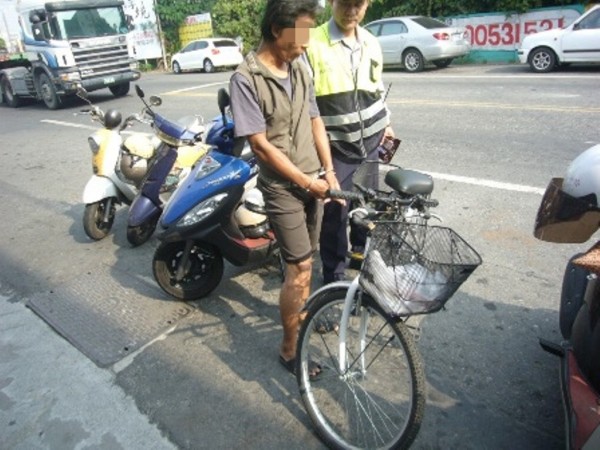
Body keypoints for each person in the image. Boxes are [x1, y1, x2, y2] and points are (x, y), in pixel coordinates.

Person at [229, 0, 341, 376]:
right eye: (301, 33)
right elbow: (260, 145)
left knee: (308, 260)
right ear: (277, 30)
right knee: (301, 266)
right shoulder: (245, 79)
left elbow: (315, 120)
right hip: (283, 187)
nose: (307, 43)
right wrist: (307, 182)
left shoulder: (300, 66)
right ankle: (290, 350)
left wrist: (329, 172)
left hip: (314, 181)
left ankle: (301, 313)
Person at [304, 0, 395, 284]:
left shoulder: (371, 41)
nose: (352, 11)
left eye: (359, 4)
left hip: (369, 141)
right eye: (345, 3)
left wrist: (387, 122)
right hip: (334, 146)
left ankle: (360, 250)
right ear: (332, 2)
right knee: (335, 214)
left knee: (365, 202)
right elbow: (271, 47)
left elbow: (377, 88)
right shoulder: (308, 39)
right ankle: (333, 277)